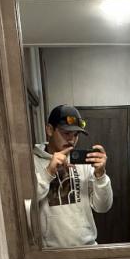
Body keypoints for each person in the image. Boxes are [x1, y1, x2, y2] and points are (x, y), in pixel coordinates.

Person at [32, 104, 113, 248]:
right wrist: (48, 172)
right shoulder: (32, 161)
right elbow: (25, 202)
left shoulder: (83, 162)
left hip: (87, 247)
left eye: (75, 135)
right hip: (50, 253)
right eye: (66, 133)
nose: (72, 140)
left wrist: (100, 175)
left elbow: (102, 207)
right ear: (49, 129)